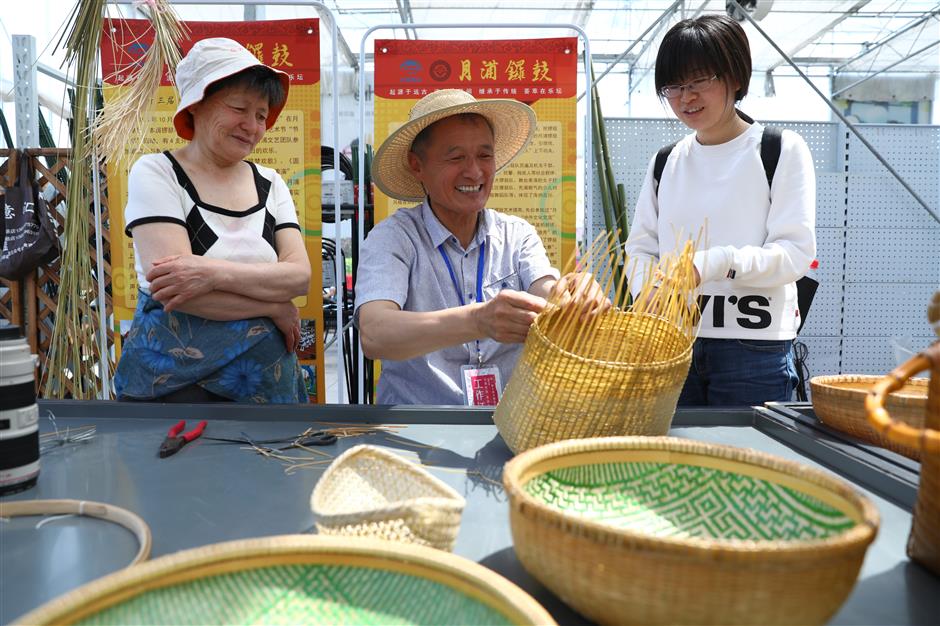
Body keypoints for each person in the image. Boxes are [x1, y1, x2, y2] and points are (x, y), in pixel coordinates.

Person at [357, 89, 603, 405]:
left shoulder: (516, 235)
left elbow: (546, 289)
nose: (474, 172)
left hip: (508, 422)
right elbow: (376, 333)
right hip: (416, 426)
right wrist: (476, 320)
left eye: (485, 156)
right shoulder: (394, 238)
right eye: (456, 157)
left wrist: (573, 296)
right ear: (417, 166)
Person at [624, 15, 816, 406]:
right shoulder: (666, 161)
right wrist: (649, 292)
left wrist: (713, 263)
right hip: (673, 344)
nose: (686, 97)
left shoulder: (778, 149)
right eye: (674, 86)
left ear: (735, 77)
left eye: (699, 82)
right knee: (673, 462)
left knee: (747, 462)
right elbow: (640, 249)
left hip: (754, 349)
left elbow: (795, 254)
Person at [114, 38, 310, 403]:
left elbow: (298, 277)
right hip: (174, 389)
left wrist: (210, 274)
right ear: (196, 105)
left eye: (261, 115)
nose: (251, 125)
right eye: (239, 108)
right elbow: (176, 292)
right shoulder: (158, 172)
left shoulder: (270, 183)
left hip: (266, 388)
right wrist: (272, 305)